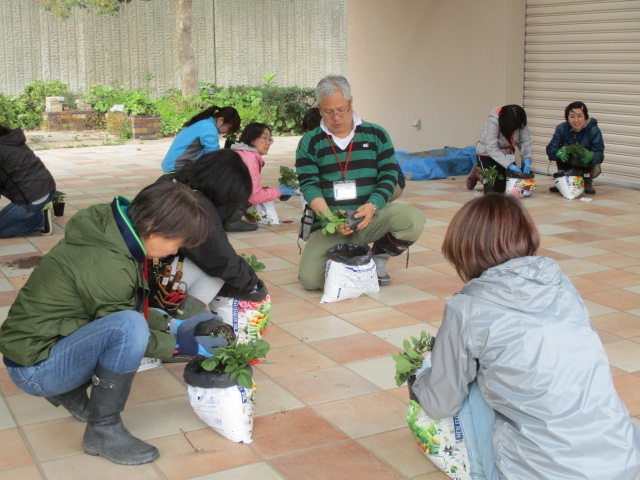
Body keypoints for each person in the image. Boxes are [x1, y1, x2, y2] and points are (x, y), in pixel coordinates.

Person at [0, 181, 231, 466]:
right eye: (178, 243)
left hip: (40, 346)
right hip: (33, 368)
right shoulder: (107, 261)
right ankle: (103, 430)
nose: (175, 251)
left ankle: (69, 390)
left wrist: (171, 325)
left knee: (128, 321)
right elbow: (125, 327)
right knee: (128, 328)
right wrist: (184, 345)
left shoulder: (114, 234)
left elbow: (122, 305)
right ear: (155, 229)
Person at [411, 194, 640, 479]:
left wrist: (422, 376)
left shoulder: (467, 308)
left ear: (464, 250)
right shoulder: (563, 286)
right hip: (623, 461)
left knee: (465, 385)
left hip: (541, 474)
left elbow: (440, 403)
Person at [295, 75, 425, 289]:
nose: (336, 117)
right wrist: (329, 217)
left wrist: (372, 206)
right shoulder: (310, 142)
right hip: (331, 224)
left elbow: (389, 176)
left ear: (351, 102)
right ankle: (351, 259)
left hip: (370, 216)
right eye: (328, 112)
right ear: (320, 109)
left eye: (341, 109)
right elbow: (309, 185)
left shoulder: (376, 135)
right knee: (311, 281)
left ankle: (377, 259)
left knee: (413, 219)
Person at [154, 150, 268, 308]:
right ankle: (181, 317)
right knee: (216, 274)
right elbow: (221, 258)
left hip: (142, 269)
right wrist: (253, 284)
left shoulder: (170, 179)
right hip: (152, 278)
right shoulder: (195, 205)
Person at [229, 123, 297, 230]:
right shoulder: (249, 159)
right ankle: (231, 220)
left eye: (270, 139)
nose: (268, 143)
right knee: (249, 192)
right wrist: (279, 191)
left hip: (217, 200)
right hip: (221, 202)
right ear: (252, 138)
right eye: (265, 138)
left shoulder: (242, 153)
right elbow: (254, 196)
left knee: (259, 189)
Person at [0, 124, 56, 237]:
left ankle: (40, 222)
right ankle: (37, 214)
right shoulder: (9, 140)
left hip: (31, 199)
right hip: (48, 189)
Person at [467, 105, 533, 193]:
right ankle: (478, 172)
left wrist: (527, 158)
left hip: (507, 154)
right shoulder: (494, 121)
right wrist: (509, 165)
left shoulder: (521, 120)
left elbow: (525, 141)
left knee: (511, 184)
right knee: (495, 187)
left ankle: (484, 170)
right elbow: (491, 147)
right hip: (487, 153)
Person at [546, 101, 604, 195]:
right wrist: (557, 153)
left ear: (585, 117)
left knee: (586, 151)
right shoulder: (561, 128)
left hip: (589, 167)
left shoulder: (594, 130)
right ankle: (562, 179)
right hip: (568, 164)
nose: (576, 120)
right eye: (572, 117)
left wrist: (592, 155)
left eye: (579, 116)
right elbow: (551, 147)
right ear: (567, 118)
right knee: (563, 149)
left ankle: (587, 181)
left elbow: (600, 154)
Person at [161, 105, 240, 173]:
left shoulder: (205, 122)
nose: (227, 132)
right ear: (221, 120)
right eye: (229, 128)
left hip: (173, 164)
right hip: (177, 167)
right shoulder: (209, 128)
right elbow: (213, 155)